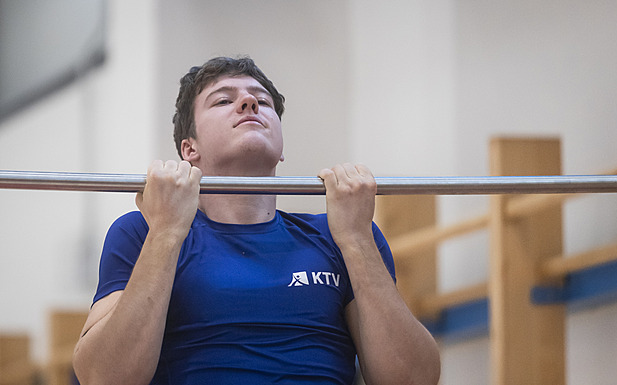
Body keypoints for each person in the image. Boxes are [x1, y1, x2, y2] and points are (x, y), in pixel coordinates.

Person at [72, 56, 440, 385]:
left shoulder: (340, 235)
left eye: (262, 101)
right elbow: (104, 377)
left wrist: (358, 240)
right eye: (224, 100)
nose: (249, 103)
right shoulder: (143, 231)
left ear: (281, 147)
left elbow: (413, 378)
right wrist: (167, 233)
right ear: (189, 150)